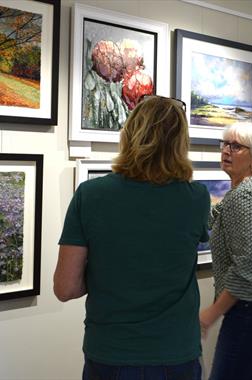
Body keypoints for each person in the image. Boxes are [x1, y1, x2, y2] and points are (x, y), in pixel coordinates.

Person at [54, 95, 210, 380]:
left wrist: (110, 273)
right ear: (180, 143)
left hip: (110, 353)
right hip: (176, 354)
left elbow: (65, 288)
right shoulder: (196, 198)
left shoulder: (91, 195)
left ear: (129, 134)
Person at [199, 123, 252, 380]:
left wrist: (210, 314)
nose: (226, 150)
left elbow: (247, 268)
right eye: (224, 144)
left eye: (236, 146)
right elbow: (213, 219)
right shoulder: (247, 191)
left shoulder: (244, 197)